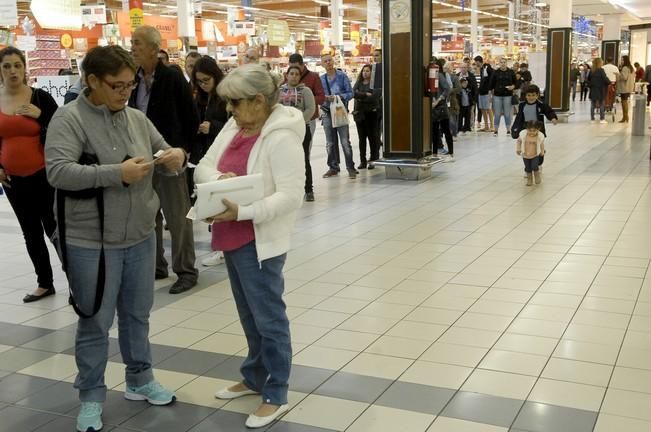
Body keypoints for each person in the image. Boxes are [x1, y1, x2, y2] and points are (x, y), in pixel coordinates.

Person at [45, 45, 185, 432]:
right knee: (95, 322)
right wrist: (115, 173)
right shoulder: (68, 119)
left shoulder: (137, 118)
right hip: (91, 241)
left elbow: (165, 149)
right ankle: (90, 395)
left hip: (140, 235)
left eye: (130, 84)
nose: (125, 92)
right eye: (116, 86)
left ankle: (140, 379)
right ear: (92, 81)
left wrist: (176, 157)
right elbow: (58, 173)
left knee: (137, 316)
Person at [194, 64, 304, 429]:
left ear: (259, 101)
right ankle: (255, 375)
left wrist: (245, 210)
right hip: (230, 236)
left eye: (236, 103)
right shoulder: (236, 125)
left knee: (269, 316)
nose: (230, 110)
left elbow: (290, 196)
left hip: (259, 240)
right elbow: (204, 166)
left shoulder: (281, 136)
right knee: (248, 314)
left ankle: (277, 391)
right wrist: (220, 179)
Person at [128, 25, 200, 294]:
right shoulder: (133, 78)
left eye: (136, 43)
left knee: (178, 216)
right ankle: (156, 265)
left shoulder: (172, 77)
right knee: (149, 216)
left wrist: (184, 152)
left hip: (169, 155)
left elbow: (191, 117)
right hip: (142, 159)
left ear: (152, 48)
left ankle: (186, 270)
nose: (132, 47)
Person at [0, 46, 60, 303]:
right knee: (30, 232)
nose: (12, 70)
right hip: (13, 179)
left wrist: (42, 115)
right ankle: (44, 283)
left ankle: (77, 281)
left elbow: (63, 129)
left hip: (44, 175)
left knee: (54, 228)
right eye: (6, 66)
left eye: (17, 65)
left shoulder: (40, 97)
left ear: (25, 69)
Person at [280, 65, 316, 200]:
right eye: (292, 73)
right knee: (285, 161)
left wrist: (298, 121)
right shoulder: (280, 91)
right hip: (284, 131)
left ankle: (308, 189)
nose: (294, 76)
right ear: (287, 75)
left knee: (304, 159)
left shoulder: (305, 91)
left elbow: (311, 109)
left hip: (301, 129)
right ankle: (287, 190)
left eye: (297, 74)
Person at [320, 52, 356, 179]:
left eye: (330, 60)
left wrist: (338, 97)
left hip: (340, 112)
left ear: (333, 61)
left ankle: (350, 167)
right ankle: (333, 167)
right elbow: (319, 97)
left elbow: (350, 93)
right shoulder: (321, 79)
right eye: (325, 61)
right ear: (322, 64)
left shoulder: (342, 76)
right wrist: (325, 99)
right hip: (327, 112)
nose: (328, 63)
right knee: (330, 142)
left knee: (345, 141)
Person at [511, 84, 558, 173]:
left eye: (533, 95)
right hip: (526, 128)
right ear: (525, 95)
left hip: (537, 129)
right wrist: (515, 128)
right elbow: (519, 117)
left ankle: (538, 163)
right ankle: (528, 168)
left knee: (538, 146)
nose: (531, 97)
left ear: (537, 95)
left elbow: (549, 111)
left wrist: (553, 118)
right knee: (526, 147)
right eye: (529, 95)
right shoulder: (522, 105)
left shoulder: (541, 105)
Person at [287, 53, 325, 145]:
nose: (294, 74)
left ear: (302, 65)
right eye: (291, 68)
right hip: (289, 120)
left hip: (308, 119)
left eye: (296, 67)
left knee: (305, 148)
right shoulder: (287, 77)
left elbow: (321, 98)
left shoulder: (313, 77)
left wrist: (306, 100)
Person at [352, 64, 381, 169]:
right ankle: (362, 161)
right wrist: (364, 95)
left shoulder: (375, 84)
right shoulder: (358, 83)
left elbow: (374, 96)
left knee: (372, 137)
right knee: (361, 139)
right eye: (364, 71)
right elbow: (353, 93)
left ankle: (373, 159)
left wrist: (360, 96)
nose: (365, 73)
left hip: (372, 114)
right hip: (360, 114)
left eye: (368, 71)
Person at [431, 58, 454, 162]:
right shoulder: (432, 76)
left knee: (445, 130)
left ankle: (451, 153)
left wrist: (439, 99)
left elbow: (447, 88)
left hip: (441, 107)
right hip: (434, 107)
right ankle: (435, 153)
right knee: (435, 131)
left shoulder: (439, 75)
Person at [489, 57, 517, 136]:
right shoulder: (495, 72)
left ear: (506, 63)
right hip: (497, 95)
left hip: (508, 95)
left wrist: (513, 86)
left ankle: (508, 130)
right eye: (501, 62)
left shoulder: (511, 72)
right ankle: (495, 130)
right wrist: (490, 96)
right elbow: (491, 84)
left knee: (507, 113)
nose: (503, 64)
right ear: (499, 63)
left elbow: (516, 83)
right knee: (497, 113)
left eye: (504, 62)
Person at [516, 120, 545, 186]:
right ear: (526, 129)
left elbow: (542, 144)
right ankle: (529, 179)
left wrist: (542, 151)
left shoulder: (539, 136)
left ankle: (537, 175)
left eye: (534, 131)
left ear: (538, 129)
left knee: (534, 166)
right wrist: (518, 149)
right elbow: (518, 141)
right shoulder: (523, 134)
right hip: (525, 155)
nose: (532, 132)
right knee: (528, 168)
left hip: (535, 154)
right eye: (530, 130)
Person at [588, 58, 611, 124]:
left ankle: (592, 119)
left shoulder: (591, 71)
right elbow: (605, 79)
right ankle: (602, 119)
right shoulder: (601, 70)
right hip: (600, 89)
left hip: (593, 89)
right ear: (599, 63)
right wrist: (609, 82)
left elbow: (588, 79)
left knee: (592, 104)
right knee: (601, 104)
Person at [474, 55, 494, 132]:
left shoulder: (487, 67)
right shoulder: (482, 69)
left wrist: (490, 89)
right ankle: (486, 126)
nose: (476, 64)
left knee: (488, 109)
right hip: (481, 92)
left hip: (487, 92)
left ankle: (492, 126)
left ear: (479, 61)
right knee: (482, 109)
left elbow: (492, 76)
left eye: (476, 62)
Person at [457, 62, 478, 130]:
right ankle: (459, 127)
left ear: (467, 68)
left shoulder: (471, 76)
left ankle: (468, 127)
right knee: (460, 115)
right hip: (459, 100)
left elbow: (475, 88)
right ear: (460, 68)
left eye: (465, 67)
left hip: (469, 99)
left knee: (469, 114)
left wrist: (474, 99)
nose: (463, 69)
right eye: (462, 67)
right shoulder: (457, 76)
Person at [617, 55, 635, 123]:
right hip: (628, 87)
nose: (621, 61)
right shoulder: (631, 68)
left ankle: (625, 117)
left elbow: (624, 77)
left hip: (624, 88)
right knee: (625, 102)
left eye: (622, 60)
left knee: (624, 103)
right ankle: (625, 117)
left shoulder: (624, 68)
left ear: (625, 60)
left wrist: (618, 75)